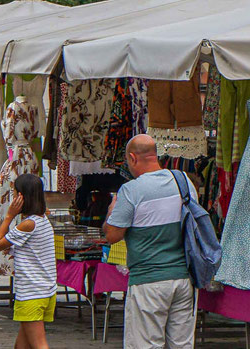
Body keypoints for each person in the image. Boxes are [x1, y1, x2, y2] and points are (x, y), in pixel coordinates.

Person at [102, 134, 194, 349]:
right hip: (183, 278)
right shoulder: (183, 181)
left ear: (133, 158)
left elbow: (112, 235)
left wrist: (110, 212)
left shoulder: (131, 190)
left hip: (148, 281)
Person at [0, 172, 55, 349]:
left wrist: (9, 216)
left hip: (31, 293)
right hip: (44, 291)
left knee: (39, 345)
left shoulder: (28, 224)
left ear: (21, 197)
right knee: (22, 345)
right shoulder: (42, 220)